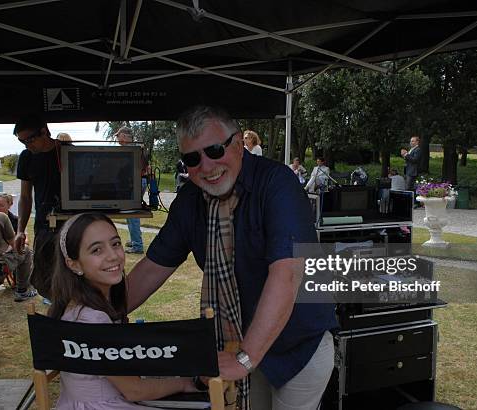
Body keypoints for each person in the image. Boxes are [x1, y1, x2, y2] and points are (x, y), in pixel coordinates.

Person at [126, 106, 337, 410]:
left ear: (238, 144)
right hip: (239, 346)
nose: (206, 166)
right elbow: (152, 268)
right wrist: (98, 314)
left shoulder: (277, 183)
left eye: (214, 150)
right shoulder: (189, 201)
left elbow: (287, 275)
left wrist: (245, 357)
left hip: (298, 347)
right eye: (192, 158)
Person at [48, 213, 202, 409]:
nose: (113, 256)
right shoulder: (91, 320)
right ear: (74, 264)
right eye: (96, 250)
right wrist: (186, 383)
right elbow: (134, 390)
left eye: (116, 244)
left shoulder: (76, 305)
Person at [14, 114, 64, 299]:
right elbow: (25, 197)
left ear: (44, 131)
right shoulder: (27, 157)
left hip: (72, 224)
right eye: (22, 142)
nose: (27, 145)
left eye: (30, 140)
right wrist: (20, 230)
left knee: (73, 275)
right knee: (45, 277)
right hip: (44, 226)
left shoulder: (67, 152)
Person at [115, 126, 146, 254]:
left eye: (118, 136)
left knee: (132, 215)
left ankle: (138, 245)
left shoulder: (132, 150)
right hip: (136, 182)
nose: (117, 139)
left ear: (124, 136)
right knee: (129, 214)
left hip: (135, 183)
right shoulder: (135, 149)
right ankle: (135, 241)